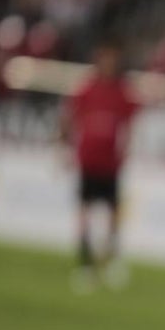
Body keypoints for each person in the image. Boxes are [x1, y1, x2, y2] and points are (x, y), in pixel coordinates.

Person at [61, 43, 139, 292]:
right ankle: (85, 262)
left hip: (111, 162)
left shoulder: (122, 91)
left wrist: (127, 149)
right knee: (85, 212)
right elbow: (69, 117)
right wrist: (64, 149)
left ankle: (111, 259)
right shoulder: (87, 89)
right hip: (88, 159)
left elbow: (130, 125)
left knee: (113, 213)